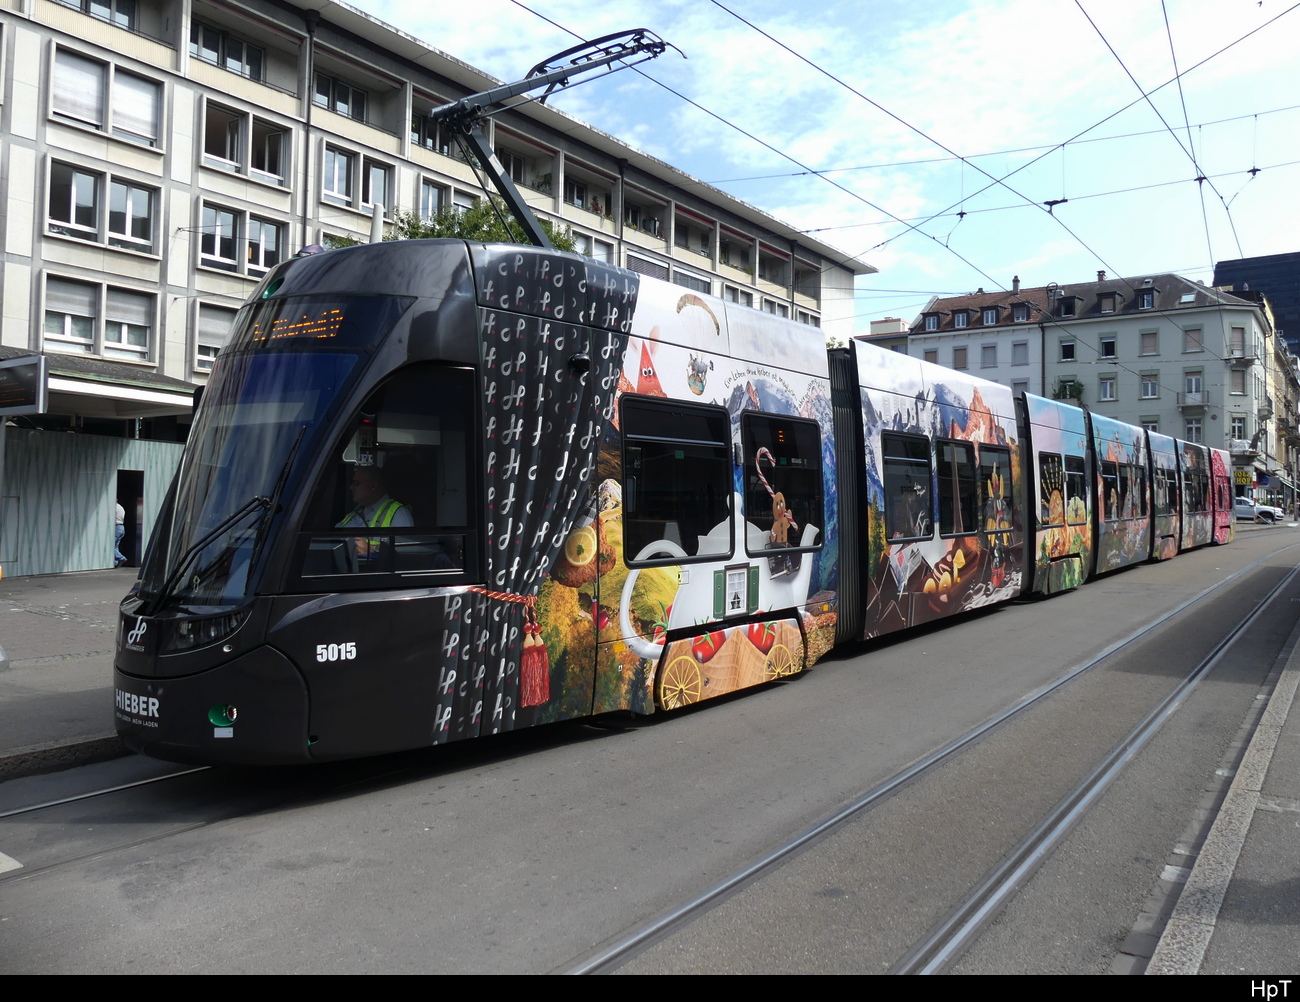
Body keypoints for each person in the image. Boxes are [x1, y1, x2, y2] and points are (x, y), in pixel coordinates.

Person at [336, 465, 413, 560]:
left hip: (373, 568)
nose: (351, 487)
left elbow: (406, 551)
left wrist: (372, 549)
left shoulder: (398, 513)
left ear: (373, 485)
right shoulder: (353, 514)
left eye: (356, 483)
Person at [114, 502, 126, 567]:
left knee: (111, 546)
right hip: (121, 527)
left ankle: (121, 558)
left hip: (116, 526)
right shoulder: (121, 508)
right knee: (116, 546)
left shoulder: (115, 507)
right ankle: (115, 562)